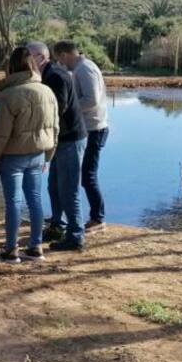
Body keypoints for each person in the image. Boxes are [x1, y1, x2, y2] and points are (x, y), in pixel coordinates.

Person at [0, 46, 59, 262]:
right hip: (37, 154)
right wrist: (49, 155)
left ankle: (11, 249)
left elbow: (0, 136)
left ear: (12, 67)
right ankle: (35, 247)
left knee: (13, 202)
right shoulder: (47, 91)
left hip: (13, 157)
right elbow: (55, 128)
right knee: (35, 199)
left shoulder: (9, 95)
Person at [28, 40, 87, 251]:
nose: (26, 61)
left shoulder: (55, 77)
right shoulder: (47, 75)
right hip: (59, 139)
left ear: (41, 57)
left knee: (68, 188)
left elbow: (56, 111)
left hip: (70, 138)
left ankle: (76, 235)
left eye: (29, 56)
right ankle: (57, 226)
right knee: (54, 186)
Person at [54, 40, 109, 233]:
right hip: (89, 128)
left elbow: (92, 100)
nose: (59, 64)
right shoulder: (80, 68)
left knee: (88, 176)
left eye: (59, 59)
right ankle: (86, 216)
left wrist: (70, 109)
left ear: (64, 55)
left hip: (94, 128)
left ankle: (98, 218)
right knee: (83, 176)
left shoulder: (84, 69)